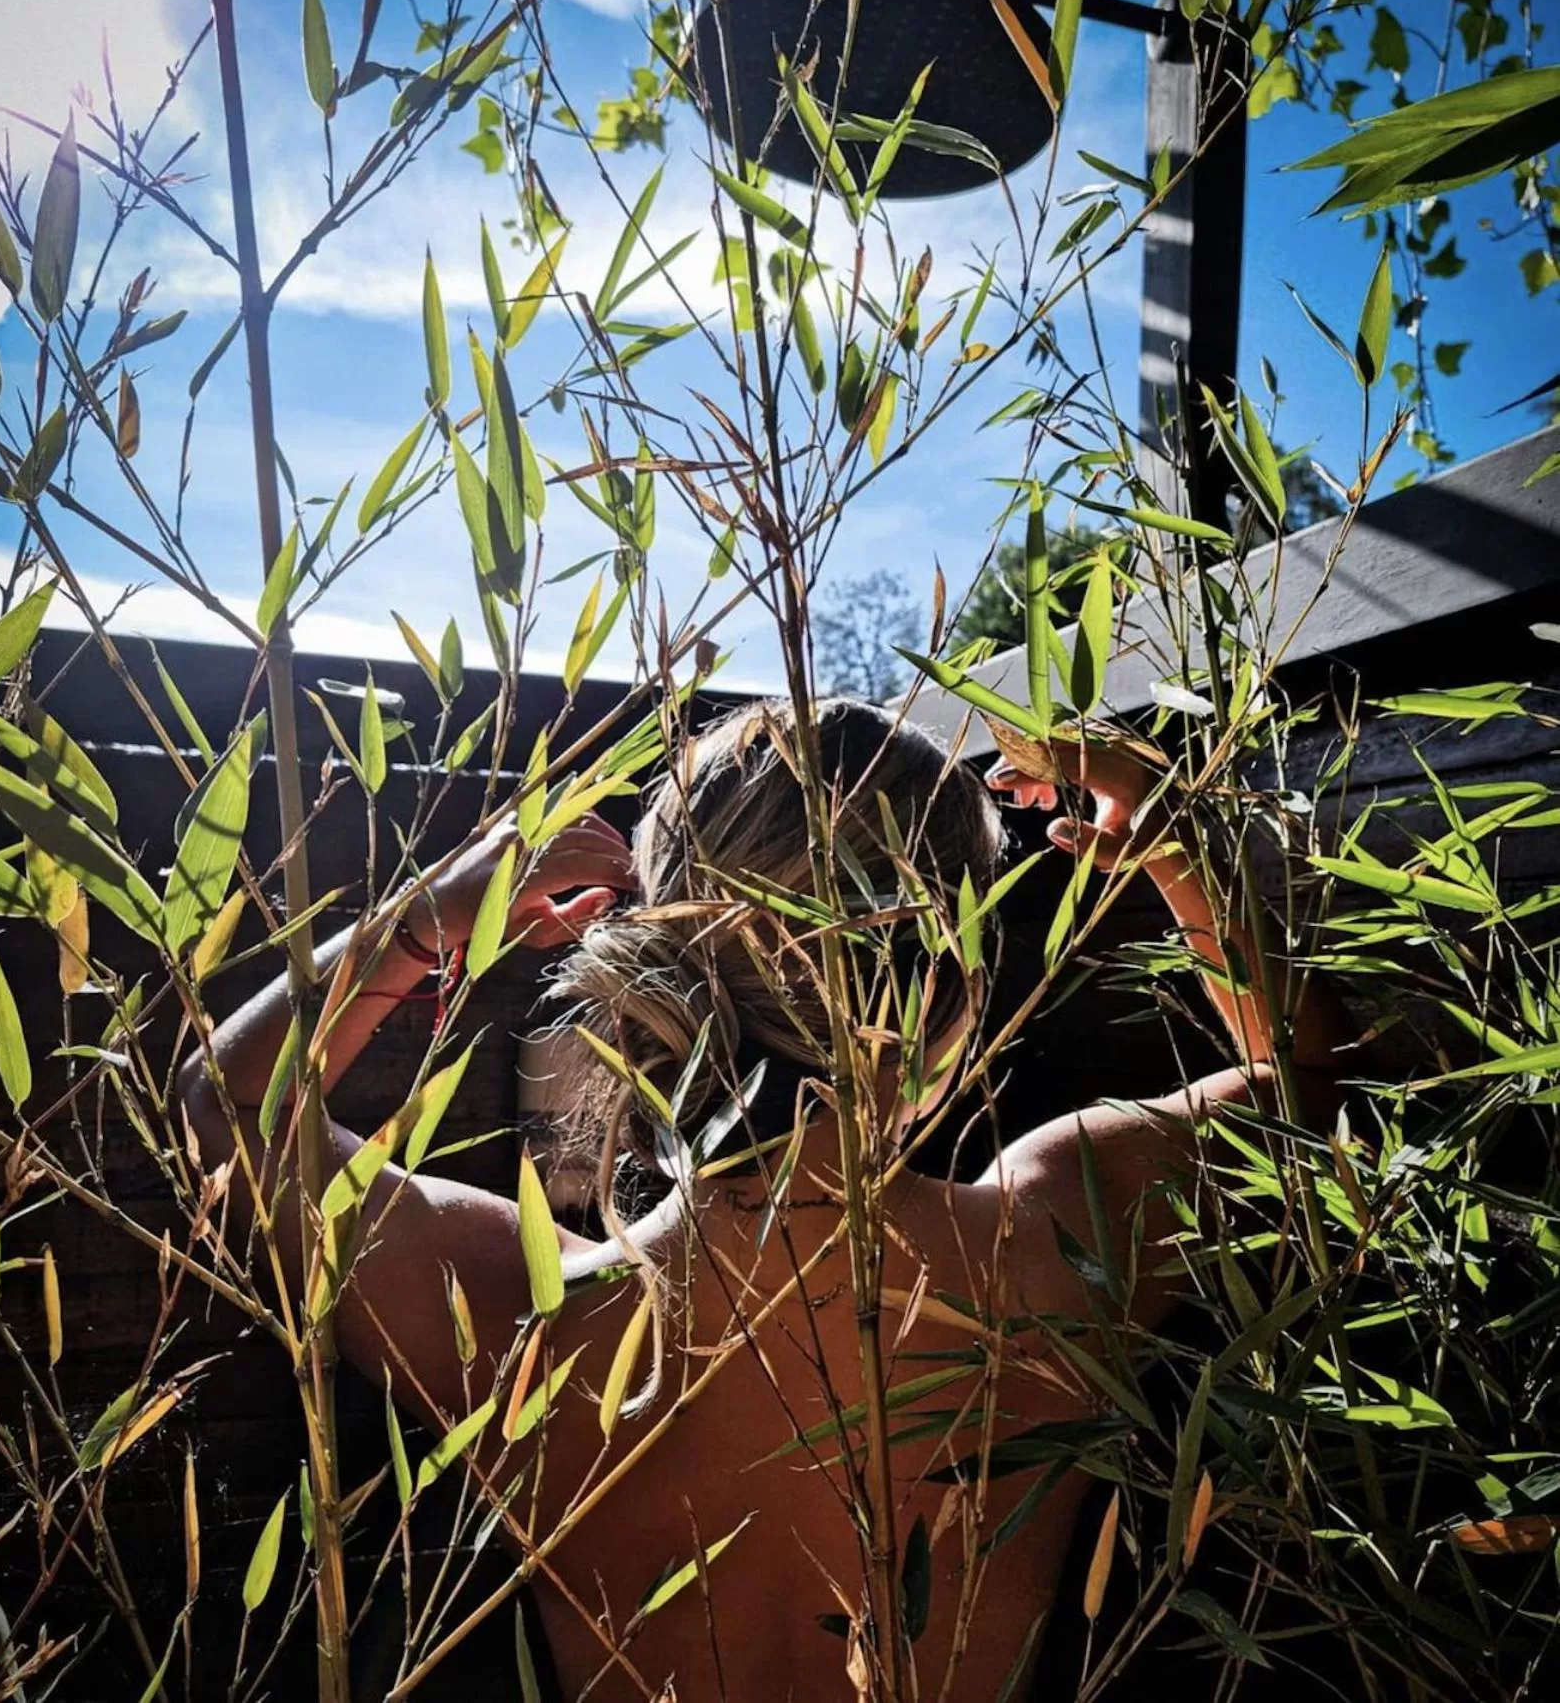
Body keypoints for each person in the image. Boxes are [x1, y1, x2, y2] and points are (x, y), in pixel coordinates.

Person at [180, 698, 1350, 1702]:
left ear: (661, 973)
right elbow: (1312, 1092)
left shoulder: (528, 1322)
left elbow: (223, 1105)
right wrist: (1182, 844)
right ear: (952, 983)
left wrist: (435, 914)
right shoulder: (1056, 1242)